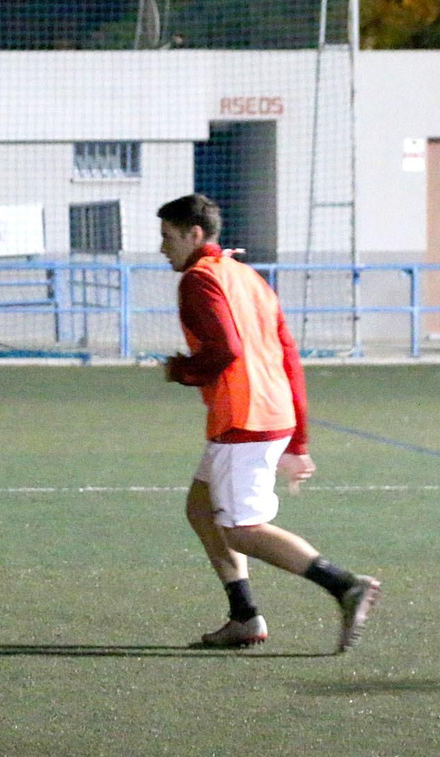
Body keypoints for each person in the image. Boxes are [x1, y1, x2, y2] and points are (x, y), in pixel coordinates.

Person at [157, 193, 379, 652]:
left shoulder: (200, 280)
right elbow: (289, 355)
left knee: (242, 529)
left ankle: (344, 585)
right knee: (201, 509)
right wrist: (299, 439)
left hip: (244, 419)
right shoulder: (247, 276)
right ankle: (244, 616)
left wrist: (182, 370)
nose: (163, 249)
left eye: (168, 238)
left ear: (194, 235)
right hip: (265, 413)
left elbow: (225, 351)